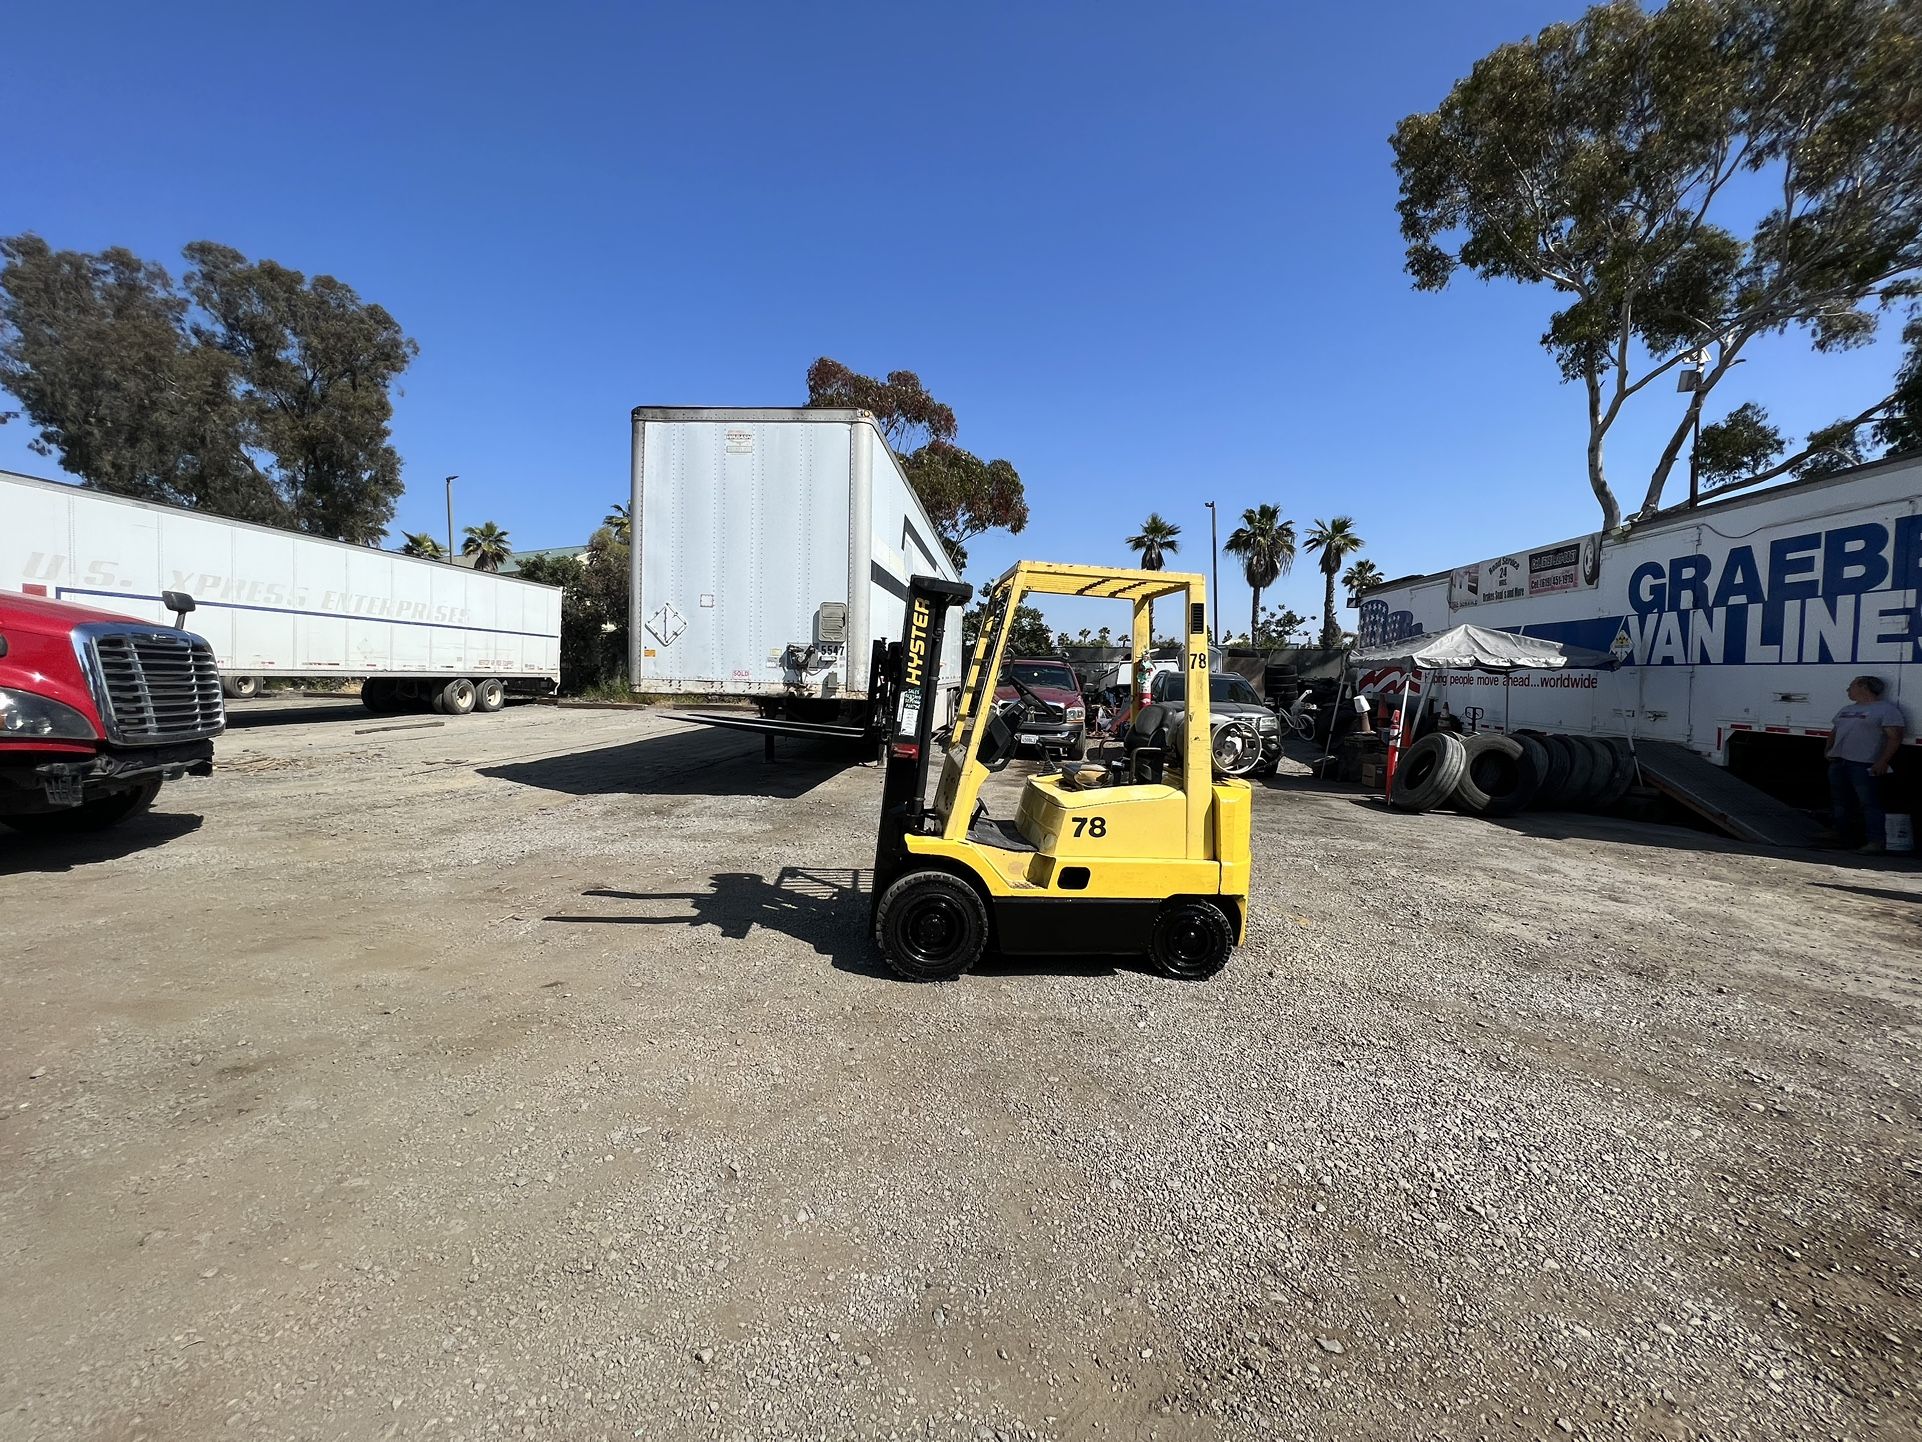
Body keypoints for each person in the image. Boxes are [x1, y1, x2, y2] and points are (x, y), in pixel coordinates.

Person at [1825, 676, 1906, 854]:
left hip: (1863, 764)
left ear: (1864, 687)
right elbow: (1835, 731)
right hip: (1840, 762)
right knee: (1840, 802)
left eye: (1851, 686)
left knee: (1869, 804)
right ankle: (1841, 836)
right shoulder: (1846, 709)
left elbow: (1895, 737)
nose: (1848, 690)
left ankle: (1875, 841)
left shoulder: (1886, 710)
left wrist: (1883, 761)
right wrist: (1829, 749)